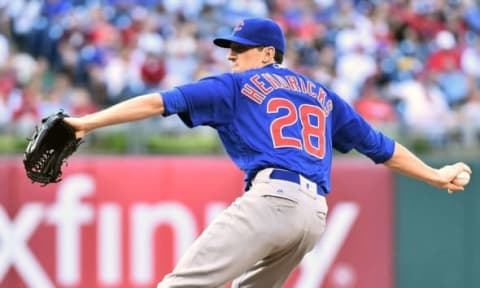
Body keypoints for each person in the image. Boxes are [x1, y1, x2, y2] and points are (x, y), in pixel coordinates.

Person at [64, 18, 472, 288]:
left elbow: (157, 102)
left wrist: (86, 123)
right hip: (313, 217)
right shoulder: (323, 96)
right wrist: (435, 175)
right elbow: (381, 148)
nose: (231, 56)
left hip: (272, 199)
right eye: (230, 50)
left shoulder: (236, 86)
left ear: (267, 54)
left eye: (240, 49)